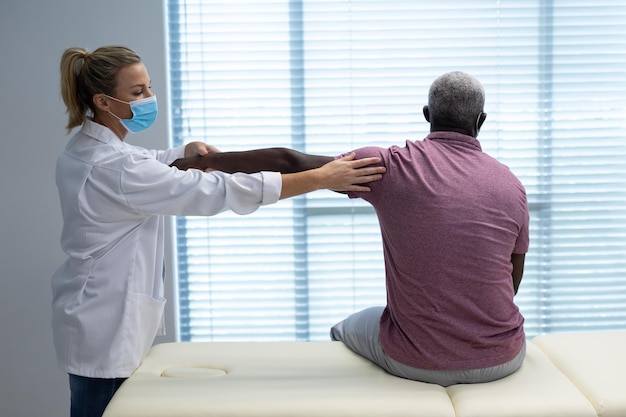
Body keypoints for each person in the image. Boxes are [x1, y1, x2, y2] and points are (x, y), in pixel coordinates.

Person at [52, 45, 385, 417]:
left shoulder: (85, 149)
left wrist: (182, 150)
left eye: (149, 87)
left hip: (95, 314)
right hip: (106, 325)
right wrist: (319, 179)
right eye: (138, 92)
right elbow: (213, 191)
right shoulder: (114, 168)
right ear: (104, 101)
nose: (150, 98)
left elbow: (143, 163)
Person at [172, 71, 530, 387]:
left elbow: (290, 161)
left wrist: (206, 162)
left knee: (344, 328)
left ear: (427, 115)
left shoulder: (391, 167)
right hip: (503, 359)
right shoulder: (511, 184)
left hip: (415, 361)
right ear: (481, 120)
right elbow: (511, 280)